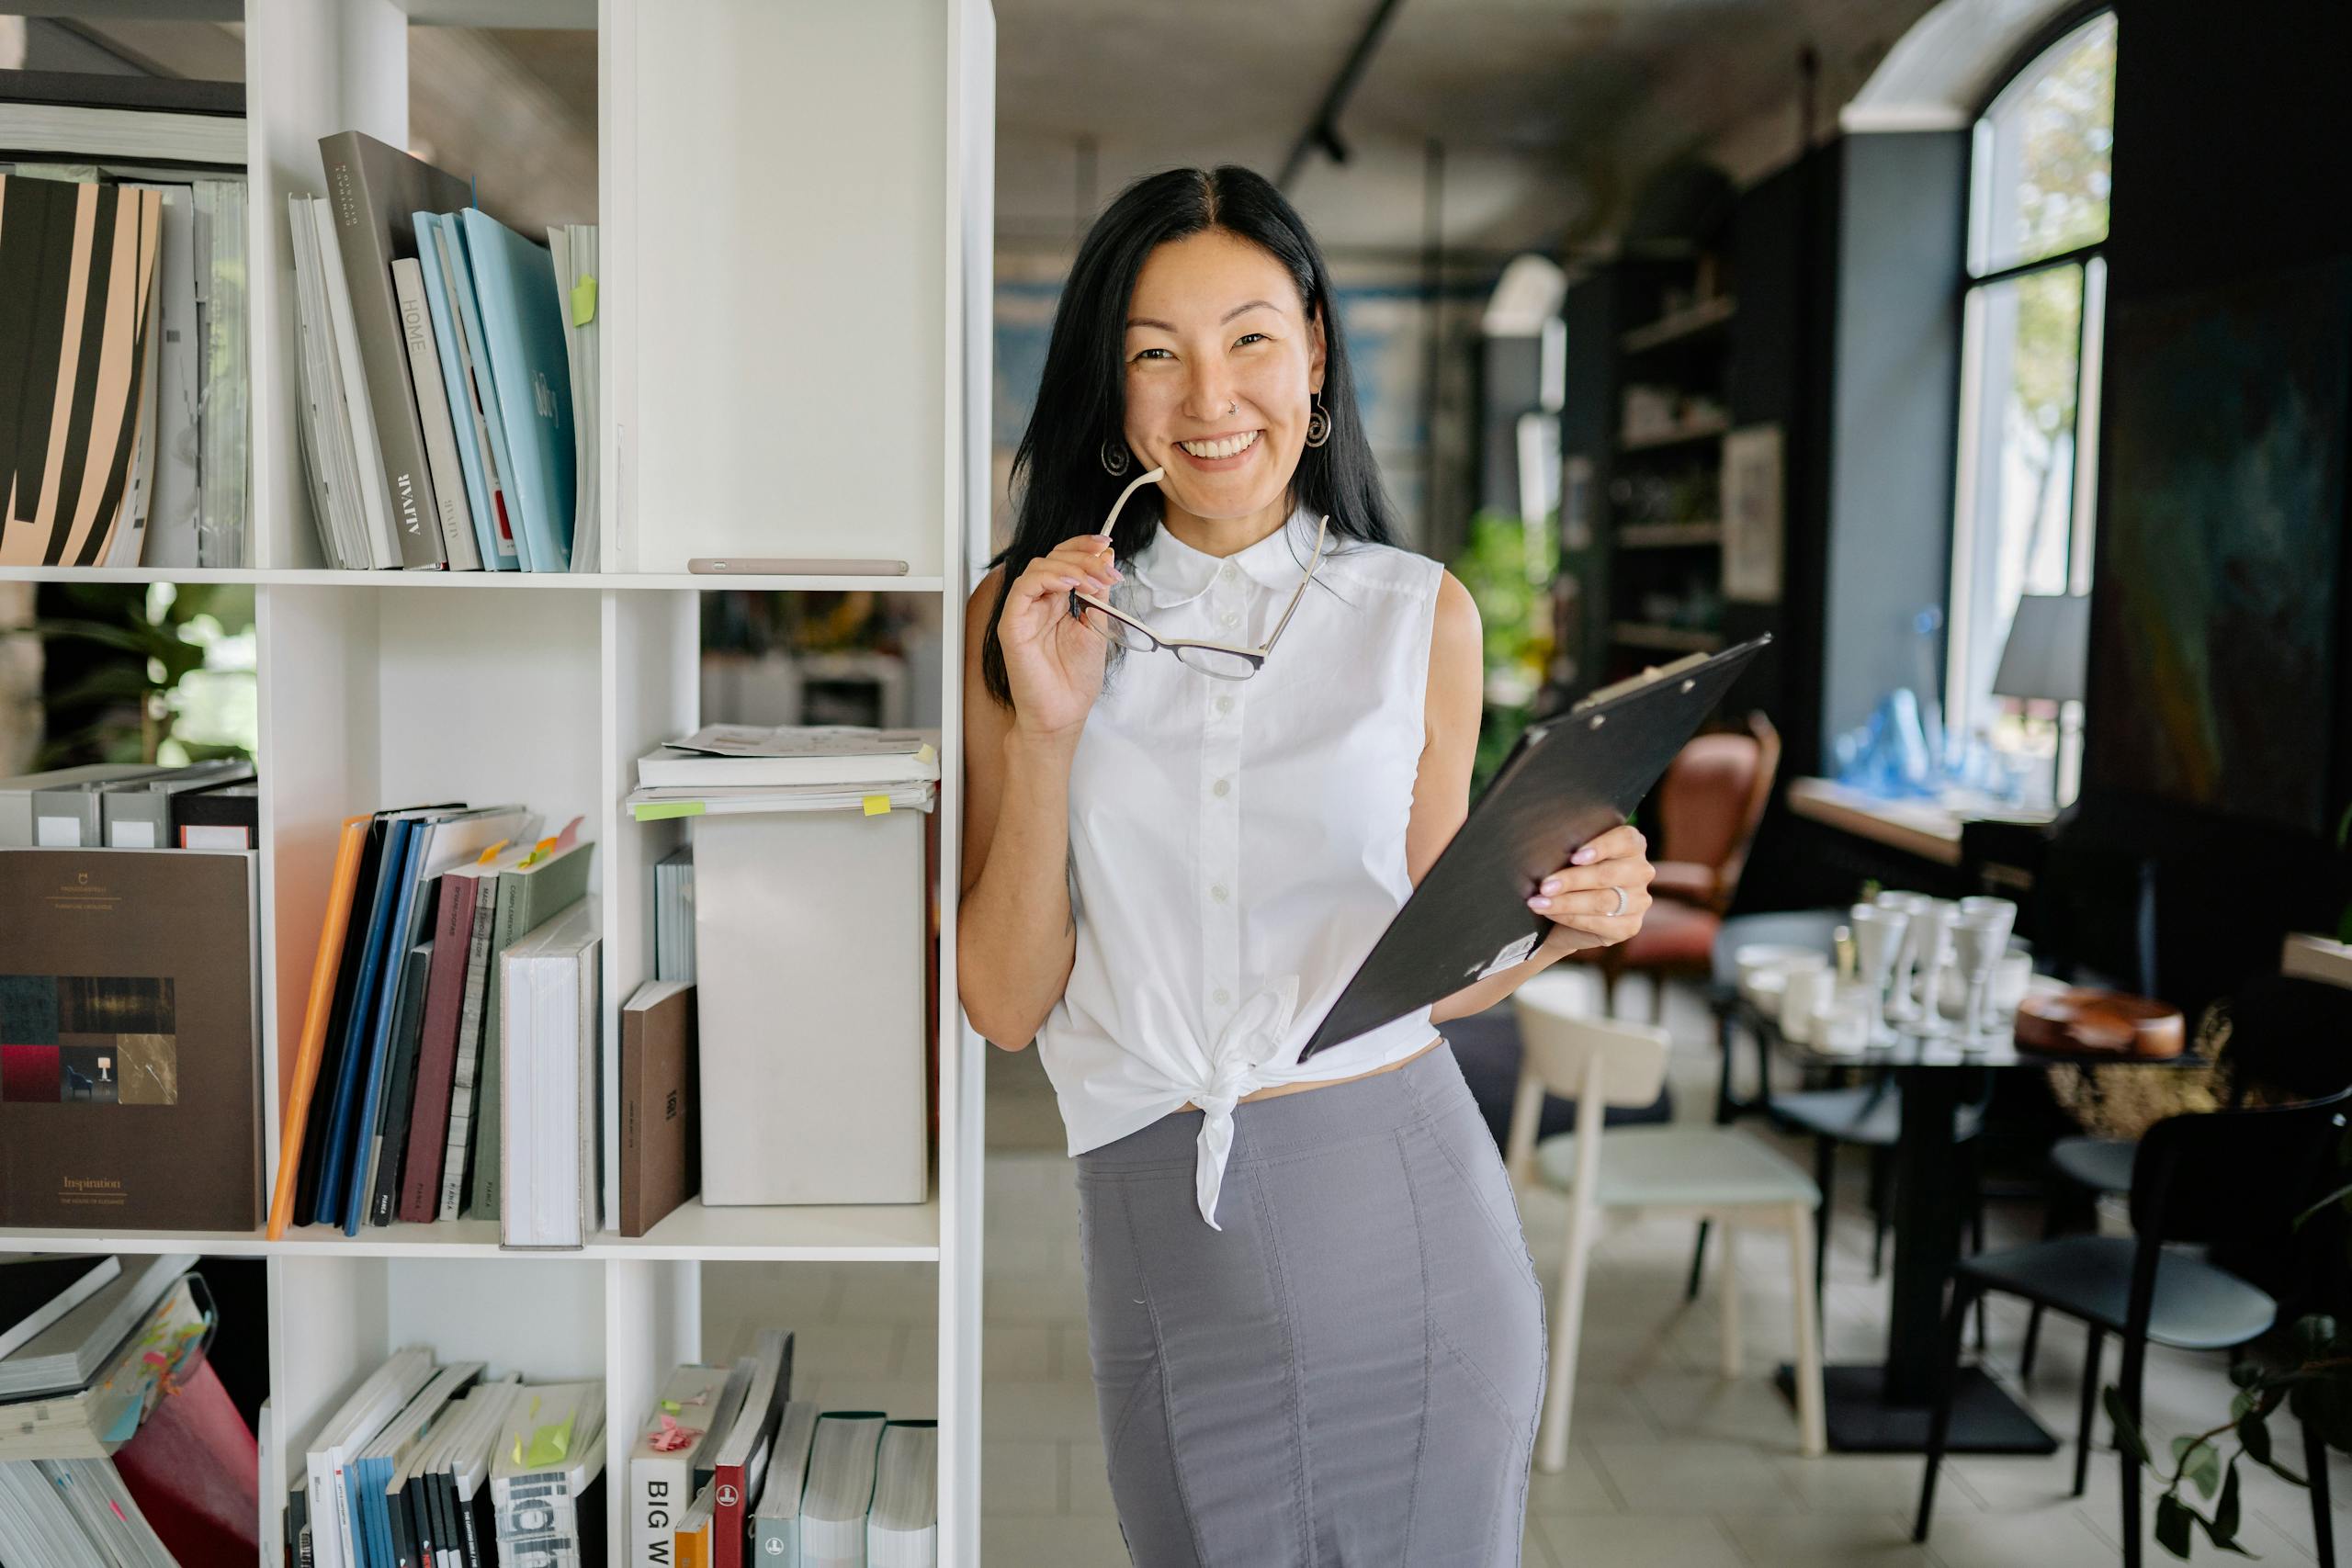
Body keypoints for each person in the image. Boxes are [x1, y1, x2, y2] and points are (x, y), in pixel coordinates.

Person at [959, 165, 1656, 1567]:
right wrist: (1045, 735)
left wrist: (1570, 926)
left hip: (1410, 1225)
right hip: (1165, 1234)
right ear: (1114, 384)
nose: (1211, 399)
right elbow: (1006, 1004)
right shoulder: (1025, 615)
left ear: (1317, 353)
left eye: (1251, 340)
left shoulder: (1419, 617)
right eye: (1158, 353)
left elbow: (1425, 970)